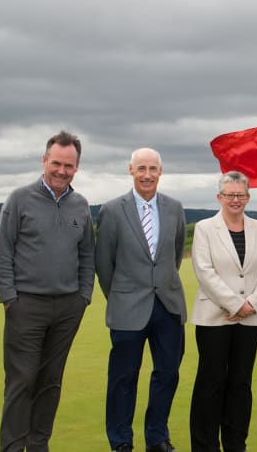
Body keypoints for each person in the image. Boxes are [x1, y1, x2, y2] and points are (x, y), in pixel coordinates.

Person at [0, 131, 96, 452]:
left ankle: (38, 445)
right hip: (26, 306)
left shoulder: (80, 205)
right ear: (44, 161)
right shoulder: (19, 199)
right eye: (56, 163)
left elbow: (87, 255)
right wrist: (10, 300)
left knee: (50, 381)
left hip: (67, 307)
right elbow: (2, 251)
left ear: (76, 167)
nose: (62, 171)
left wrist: (83, 297)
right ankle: (12, 447)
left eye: (69, 165)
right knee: (21, 381)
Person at [95, 148, 188, 452]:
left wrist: (158, 285)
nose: (147, 174)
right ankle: (121, 441)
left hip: (168, 306)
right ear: (130, 170)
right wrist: (121, 295)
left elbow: (174, 256)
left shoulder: (174, 207)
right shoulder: (111, 210)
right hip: (127, 308)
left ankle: (157, 437)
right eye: (141, 168)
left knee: (167, 374)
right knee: (123, 378)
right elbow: (104, 263)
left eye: (153, 168)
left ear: (161, 171)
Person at [188, 171, 257, 452]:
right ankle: (205, 446)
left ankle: (236, 444)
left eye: (240, 195)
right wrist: (236, 305)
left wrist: (251, 304)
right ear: (220, 197)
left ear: (248, 197)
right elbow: (204, 271)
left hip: (251, 319)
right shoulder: (204, 228)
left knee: (240, 383)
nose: (235, 200)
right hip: (214, 318)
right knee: (211, 383)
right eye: (230, 195)